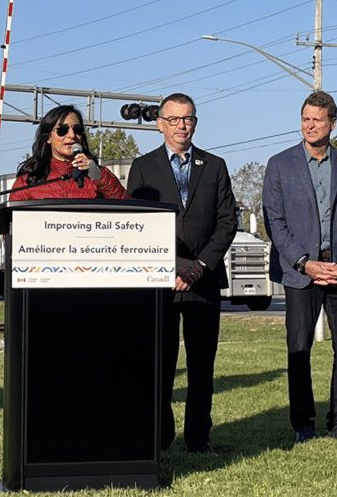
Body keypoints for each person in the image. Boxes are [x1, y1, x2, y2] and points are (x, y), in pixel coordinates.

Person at [127, 93, 237, 455]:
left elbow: (226, 222)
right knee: (160, 365)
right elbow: (138, 224)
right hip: (160, 284)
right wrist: (173, 267)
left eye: (187, 119)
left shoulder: (215, 166)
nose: (181, 126)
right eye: (173, 119)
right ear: (160, 124)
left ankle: (198, 439)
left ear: (195, 122)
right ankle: (158, 437)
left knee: (201, 367)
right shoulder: (143, 167)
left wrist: (198, 267)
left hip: (203, 282)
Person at [261, 90, 337, 444]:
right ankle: (303, 426)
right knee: (298, 351)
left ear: (332, 124)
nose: (310, 126)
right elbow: (275, 222)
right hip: (299, 274)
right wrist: (304, 264)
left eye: (317, 120)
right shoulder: (279, 165)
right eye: (305, 119)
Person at [9, 104, 130, 201]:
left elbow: (128, 209)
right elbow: (11, 222)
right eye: (62, 130)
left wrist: (99, 177)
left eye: (77, 129)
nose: (72, 135)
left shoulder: (98, 175)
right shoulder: (29, 179)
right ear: (48, 137)